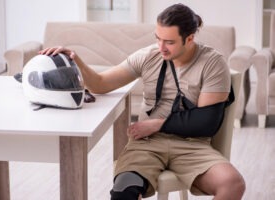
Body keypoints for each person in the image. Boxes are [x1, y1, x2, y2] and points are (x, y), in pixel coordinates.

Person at [39, 3, 245, 200]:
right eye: (158, 39)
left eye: (170, 42)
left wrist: (156, 124)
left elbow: (206, 122)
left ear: (189, 39)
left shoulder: (212, 63)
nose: (161, 48)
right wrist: (77, 61)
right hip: (147, 143)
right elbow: (101, 84)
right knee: (123, 191)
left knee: (233, 184)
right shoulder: (149, 56)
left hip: (191, 145)